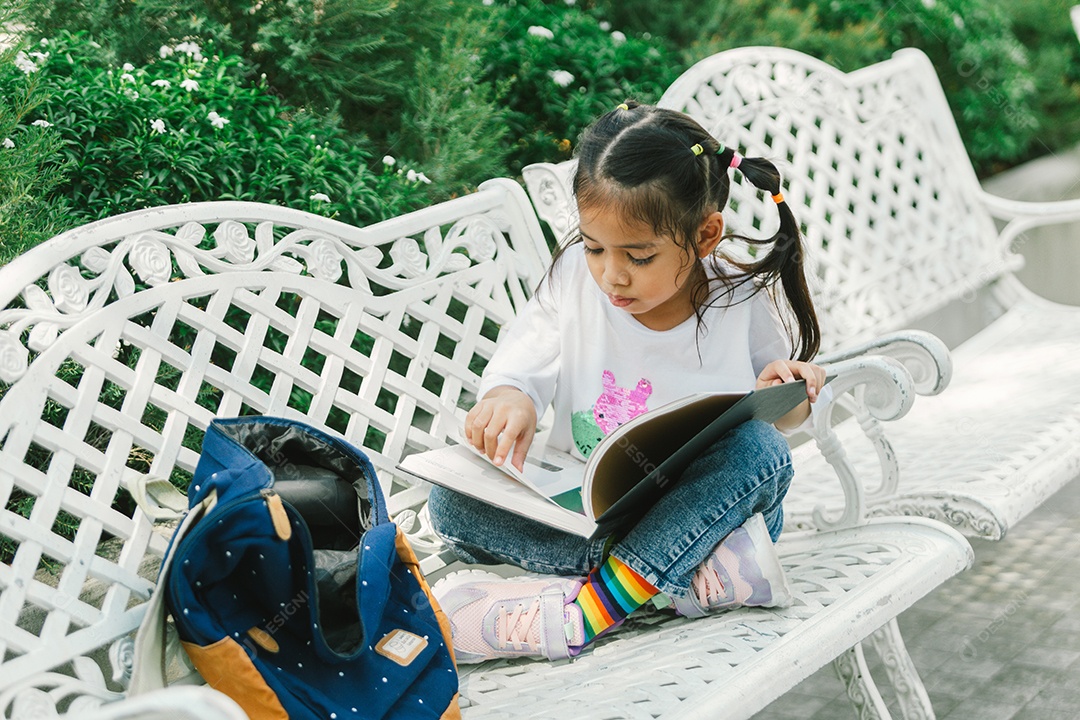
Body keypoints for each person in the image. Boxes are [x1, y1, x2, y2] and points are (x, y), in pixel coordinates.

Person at [428, 101, 828, 664]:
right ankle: (679, 583)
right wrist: (509, 398)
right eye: (594, 247)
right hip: (591, 518)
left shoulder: (739, 295)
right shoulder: (573, 280)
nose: (610, 274)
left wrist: (787, 388)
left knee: (761, 449)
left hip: (700, 508)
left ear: (706, 235)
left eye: (638, 256)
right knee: (449, 502)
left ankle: (584, 612)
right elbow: (521, 366)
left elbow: (785, 418)